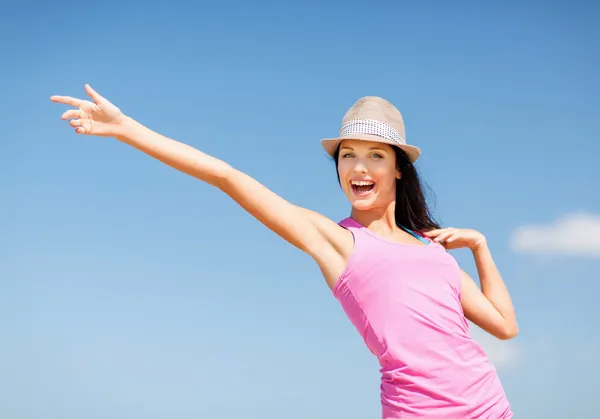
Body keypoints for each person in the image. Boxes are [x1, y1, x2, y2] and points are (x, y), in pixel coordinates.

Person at [51, 85, 518, 418]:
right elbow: (227, 177)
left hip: (490, 406)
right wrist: (128, 129)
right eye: (348, 154)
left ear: (399, 169)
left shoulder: (432, 249)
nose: (359, 166)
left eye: (376, 155)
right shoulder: (337, 241)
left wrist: (479, 246)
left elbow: (504, 326)